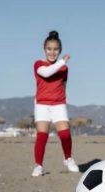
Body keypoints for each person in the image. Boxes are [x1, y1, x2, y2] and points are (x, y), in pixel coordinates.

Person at [31, 31, 79, 177]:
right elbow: (46, 73)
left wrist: (63, 99)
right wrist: (62, 61)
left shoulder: (64, 68)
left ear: (60, 50)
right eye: (49, 49)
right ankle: (38, 166)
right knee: (42, 136)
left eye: (55, 49)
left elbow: (63, 85)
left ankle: (68, 158)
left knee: (65, 135)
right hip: (42, 105)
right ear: (44, 49)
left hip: (58, 104)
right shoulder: (39, 64)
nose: (52, 52)